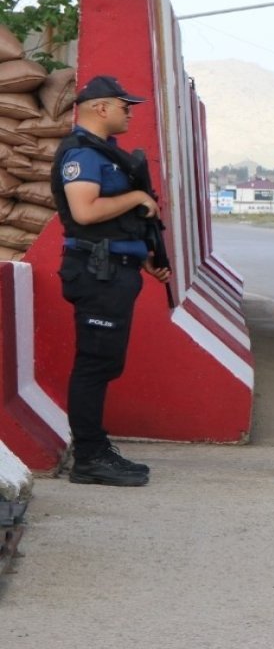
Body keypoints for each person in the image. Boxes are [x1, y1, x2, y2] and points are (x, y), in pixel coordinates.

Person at [50, 75, 172, 487]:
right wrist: (138, 198)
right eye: (125, 105)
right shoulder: (82, 154)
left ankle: (95, 449)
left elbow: (112, 224)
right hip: (95, 273)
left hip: (114, 269)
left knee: (105, 362)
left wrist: (144, 259)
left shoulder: (106, 152)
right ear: (100, 108)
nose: (130, 111)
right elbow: (84, 213)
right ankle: (89, 456)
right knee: (94, 363)